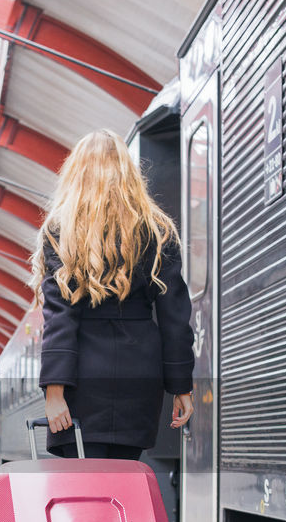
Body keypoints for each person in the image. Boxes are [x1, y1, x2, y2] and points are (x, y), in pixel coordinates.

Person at [37, 129, 195, 459]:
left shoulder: (61, 232)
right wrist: (181, 385)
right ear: (128, 173)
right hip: (139, 379)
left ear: (76, 173)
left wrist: (54, 392)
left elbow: (59, 318)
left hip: (81, 381)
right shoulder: (157, 230)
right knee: (122, 488)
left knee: (82, 494)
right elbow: (175, 316)